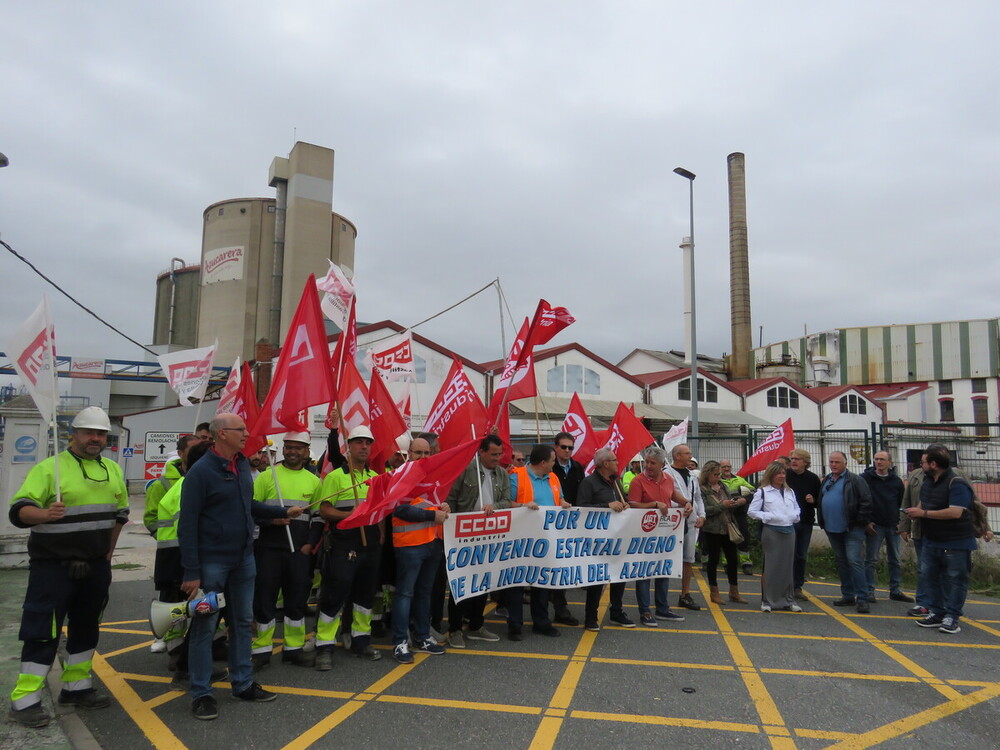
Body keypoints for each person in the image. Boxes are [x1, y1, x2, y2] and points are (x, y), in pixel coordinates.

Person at [7, 407, 129, 729]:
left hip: (95, 567)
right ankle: (25, 700)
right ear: (72, 435)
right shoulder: (50, 469)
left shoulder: (113, 470)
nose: (95, 438)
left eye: (101, 433)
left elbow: (120, 516)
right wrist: (44, 515)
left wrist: (108, 554)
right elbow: (19, 511)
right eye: (89, 432)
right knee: (42, 630)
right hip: (53, 568)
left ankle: (77, 687)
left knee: (87, 626)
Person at [178, 413, 303, 721]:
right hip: (211, 564)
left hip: (244, 560)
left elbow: (247, 506)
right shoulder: (201, 472)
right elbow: (188, 524)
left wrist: (280, 512)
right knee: (205, 627)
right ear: (222, 434)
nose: (247, 434)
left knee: (243, 623)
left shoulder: (242, 467)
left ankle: (243, 683)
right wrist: (192, 571)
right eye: (241, 430)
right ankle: (201, 693)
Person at [250, 432, 322, 670]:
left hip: (299, 551)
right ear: (282, 449)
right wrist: (274, 521)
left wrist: (310, 544)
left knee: (296, 601)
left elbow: (319, 518)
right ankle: (261, 651)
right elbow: (252, 510)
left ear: (307, 451)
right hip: (269, 548)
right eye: (289, 447)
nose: (292, 451)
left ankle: (293, 649)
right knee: (265, 599)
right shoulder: (266, 477)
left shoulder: (314, 481)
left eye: (298, 448)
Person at [315, 425, 384, 670]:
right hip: (344, 545)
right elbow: (324, 510)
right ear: (349, 446)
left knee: (365, 597)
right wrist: (349, 514)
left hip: (371, 545)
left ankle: (361, 640)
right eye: (358, 442)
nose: (364, 446)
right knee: (335, 594)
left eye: (368, 442)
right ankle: (324, 645)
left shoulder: (375, 477)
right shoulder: (335, 477)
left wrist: (381, 538)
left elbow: (380, 513)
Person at [443, 434, 511, 646]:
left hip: (488, 535)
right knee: (461, 582)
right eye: (493, 454)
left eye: (500, 454)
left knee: (482, 582)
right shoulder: (466, 470)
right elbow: (452, 499)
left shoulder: (502, 474)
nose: (497, 458)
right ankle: (454, 629)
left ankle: (476, 625)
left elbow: (507, 500)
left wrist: (495, 507)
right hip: (463, 535)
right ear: (481, 452)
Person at [904, 446, 977, 634]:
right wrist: (916, 512)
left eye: (924, 462)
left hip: (956, 541)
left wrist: (923, 513)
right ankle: (937, 612)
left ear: (934, 464)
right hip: (932, 539)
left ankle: (952, 616)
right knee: (929, 575)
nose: (921, 465)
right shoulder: (928, 480)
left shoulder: (957, 483)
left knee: (955, 579)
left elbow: (955, 512)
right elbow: (924, 500)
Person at [391, 437, 450, 664]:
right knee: (405, 593)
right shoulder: (401, 475)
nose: (423, 458)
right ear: (409, 453)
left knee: (424, 592)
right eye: (418, 453)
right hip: (409, 544)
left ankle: (422, 636)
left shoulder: (433, 476)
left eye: (427, 453)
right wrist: (432, 514)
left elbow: (435, 504)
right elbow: (399, 509)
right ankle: (399, 642)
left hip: (432, 541)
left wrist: (444, 506)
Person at [145, 433, 200, 655]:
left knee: (197, 602)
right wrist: (166, 538)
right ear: (180, 454)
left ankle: (198, 648)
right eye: (193, 450)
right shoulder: (164, 484)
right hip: (173, 554)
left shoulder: (198, 477)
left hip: (193, 552)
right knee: (174, 603)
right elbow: (151, 519)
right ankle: (175, 651)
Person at [506, 444, 569, 640]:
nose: (554, 463)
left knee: (542, 582)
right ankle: (515, 625)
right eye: (552, 460)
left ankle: (541, 622)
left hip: (545, 539)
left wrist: (564, 503)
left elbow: (559, 499)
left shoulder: (554, 477)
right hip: (520, 539)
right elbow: (507, 502)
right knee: (517, 583)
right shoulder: (517, 476)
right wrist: (523, 506)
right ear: (543, 462)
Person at [577, 448, 636, 631]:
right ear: (605, 464)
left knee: (619, 575)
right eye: (615, 460)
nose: (618, 463)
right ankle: (590, 617)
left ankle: (617, 612)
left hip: (616, 538)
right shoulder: (589, 483)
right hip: (597, 540)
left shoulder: (615, 482)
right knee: (597, 578)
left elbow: (620, 501)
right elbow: (582, 508)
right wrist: (606, 506)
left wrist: (624, 504)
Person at [627, 446, 685, 625]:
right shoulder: (638, 481)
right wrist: (653, 504)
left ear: (661, 464)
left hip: (664, 533)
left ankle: (662, 608)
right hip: (644, 534)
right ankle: (644, 611)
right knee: (644, 573)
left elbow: (673, 495)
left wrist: (687, 503)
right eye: (646, 462)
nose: (648, 466)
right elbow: (633, 505)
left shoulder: (668, 479)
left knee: (663, 570)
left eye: (653, 463)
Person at [817, 451, 873, 614]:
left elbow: (866, 502)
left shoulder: (855, 480)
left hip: (852, 529)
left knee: (854, 561)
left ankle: (862, 598)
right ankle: (847, 595)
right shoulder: (827, 480)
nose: (833, 465)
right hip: (832, 528)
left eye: (837, 462)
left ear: (845, 463)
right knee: (842, 562)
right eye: (831, 461)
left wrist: (859, 522)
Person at [748, 462, 801, 613]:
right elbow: (752, 512)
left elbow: (797, 508)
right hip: (772, 531)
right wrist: (769, 516)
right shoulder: (763, 492)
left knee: (787, 566)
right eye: (778, 473)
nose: (782, 476)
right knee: (771, 566)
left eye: (784, 473)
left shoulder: (790, 492)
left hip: (789, 531)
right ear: (771, 475)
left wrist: (795, 516)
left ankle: (788, 600)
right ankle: (767, 600)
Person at [862, 451, 913, 603]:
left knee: (895, 559)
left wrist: (901, 522)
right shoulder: (865, 479)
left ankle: (895, 590)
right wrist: (867, 521)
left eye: (882, 459)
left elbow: (901, 503)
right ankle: (869, 590)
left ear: (889, 462)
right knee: (871, 559)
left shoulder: (896, 481)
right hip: (874, 525)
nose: (878, 462)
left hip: (892, 525)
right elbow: (862, 499)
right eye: (876, 459)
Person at [699, 461, 747, 605]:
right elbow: (704, 510)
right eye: (715, 474)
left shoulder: (723, 486)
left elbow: (728, 503)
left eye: (719, 474)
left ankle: (734, 591)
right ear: (707, 474)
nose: (718, 477)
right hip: (712, 529)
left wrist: (735, 503)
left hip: (727, 527)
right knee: (713, 560)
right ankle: (714, 592)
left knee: (732, 560)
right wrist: (722, 506)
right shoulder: (702, 489)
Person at [549, 431, 584, 626]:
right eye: (564, 447)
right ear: (556, 447)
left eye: (570, 447)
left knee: (562, 566)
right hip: (548, 523)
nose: (568, 451)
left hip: (571, 523)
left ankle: (560, 609)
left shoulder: (578, 467)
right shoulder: (548, 465)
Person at [664, 444, 705, 610]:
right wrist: (680, 504)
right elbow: (667, 496)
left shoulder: (691, 475)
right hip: (673, 520)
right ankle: (662, 596)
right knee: (666, 557)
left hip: (690, 520)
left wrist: (702, 515)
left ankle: (685, 594)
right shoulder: (667, 473)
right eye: (687, 453)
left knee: (688, 558)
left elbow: (698, 498)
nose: (690, 456)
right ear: (677, 456)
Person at [785, 448, 821, 600]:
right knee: (787, 555)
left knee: (800, 555)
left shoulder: (813, 479)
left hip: (805, 522)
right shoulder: (785, 475)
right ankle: (784, 585)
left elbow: (820, 501)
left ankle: (797, 587)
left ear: (805, 462)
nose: (793, 461)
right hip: (787, 521)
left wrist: (813, 501)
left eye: (797, 459)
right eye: (792, 458)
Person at [719, 460, 755, 575]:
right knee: (727, 539)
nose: (726, 469)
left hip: (739, 513)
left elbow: (753, 491)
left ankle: (746, 564)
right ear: (720, 468)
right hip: (725, 514)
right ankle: (728, 564)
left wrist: (744, 500)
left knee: (744, 537)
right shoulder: (717, 481)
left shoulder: (739, 479)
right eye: (724, 467)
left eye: (728, 466)